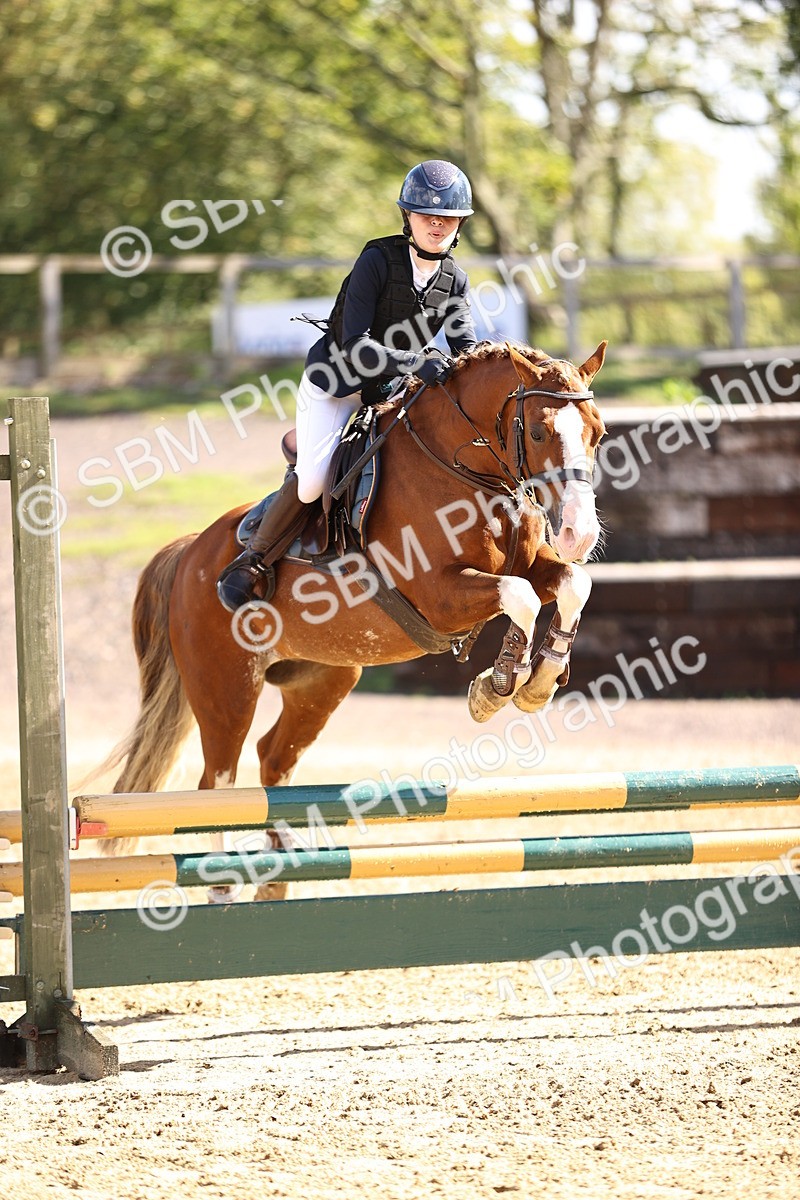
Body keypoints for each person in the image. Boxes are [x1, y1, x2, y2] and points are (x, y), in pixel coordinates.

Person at [217, 159, 478, 612]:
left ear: (459, 225)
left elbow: (467, 349)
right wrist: (417, 362)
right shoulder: (376, 260)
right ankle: (253, 556)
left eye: (447, 217)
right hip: (336, 386)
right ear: (408, 217)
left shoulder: (454, 280)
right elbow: (356, 345)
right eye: (426, 214)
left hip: (388, 395)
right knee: (313, 482)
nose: (436, 224)